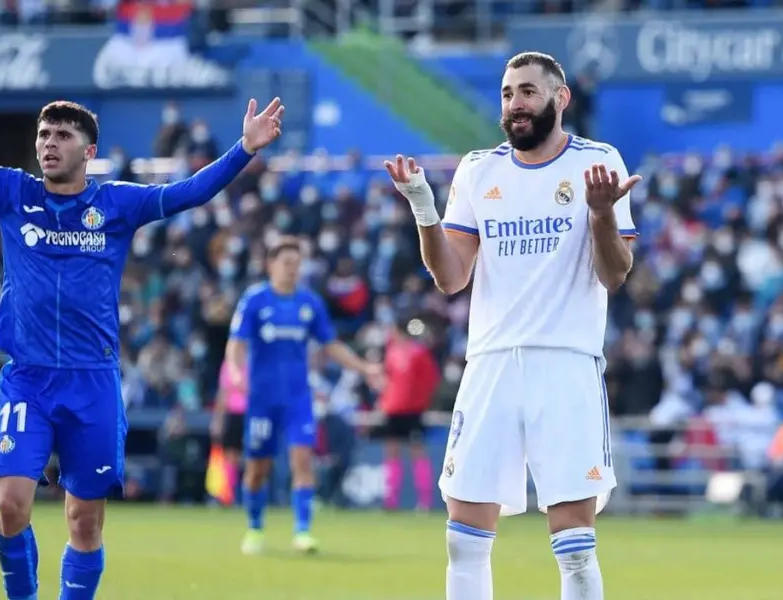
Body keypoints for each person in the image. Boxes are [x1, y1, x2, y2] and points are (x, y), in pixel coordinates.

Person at [0, 22, 283, 600]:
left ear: (88, 150)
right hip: (28, 379)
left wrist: (243, 150)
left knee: (84, 521)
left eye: (60, 134)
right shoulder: (13, 193)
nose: (47, 143)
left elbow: (189, 192)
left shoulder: (116, 204)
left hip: (92, 381)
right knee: (11, 505)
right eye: (42, 134)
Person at [385, 51, 638, 600]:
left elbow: (615, 274)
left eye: (527, 92)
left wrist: (600, 215)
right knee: (465, 539)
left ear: (560, 98)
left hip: (565, 361)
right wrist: (424, 208)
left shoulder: (599, 163)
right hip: (491, 364)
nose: (515, 104)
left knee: (574, 544)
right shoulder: (480, 170)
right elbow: (451, 278)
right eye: (506, 94)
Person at [225, 236, 384, 555]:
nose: (293, 270)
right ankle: (255, 528)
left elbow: (331, 344)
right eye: (287, 263)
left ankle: (303, 531)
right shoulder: (255, 300)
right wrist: (236, 372)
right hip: (262, 399)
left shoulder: (309, 303)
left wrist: (364, 368)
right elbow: (237, 343)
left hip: (298, 398)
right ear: (271, 265)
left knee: (303, 459)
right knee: (258, 468)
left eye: (297, 265)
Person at [377, 315, 440, 511]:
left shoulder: (418, 353)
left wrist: (421, 401)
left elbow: (431, 379)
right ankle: (391, 500)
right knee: (392, 452)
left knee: (417, 453)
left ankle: (424, 502)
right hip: (392, 410)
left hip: (413, 410)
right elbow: (387, 380)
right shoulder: (391, 353)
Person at [210, 358, 248, 503]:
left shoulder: (257, 360)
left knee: (254, 457)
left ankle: (250, 496)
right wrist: (218, 419)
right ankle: (229, 497)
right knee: (231, 457)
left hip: (252, 413)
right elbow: (223, 393)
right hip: (233, 413)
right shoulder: (229, 364)